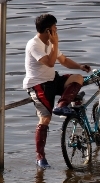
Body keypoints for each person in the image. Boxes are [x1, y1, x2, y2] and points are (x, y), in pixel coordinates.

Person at [23, 14, 91, 169]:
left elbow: (64, 61)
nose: (57, 30)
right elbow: (51, 62)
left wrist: (80, 66)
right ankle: (40, 157)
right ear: (48, 30)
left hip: (52, 79)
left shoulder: (49, 42)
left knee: (77, 78)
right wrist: (55, 44)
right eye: (55, 28)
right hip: (38, 84)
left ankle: (62, 105)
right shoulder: (34, 45)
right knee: (45, 118)